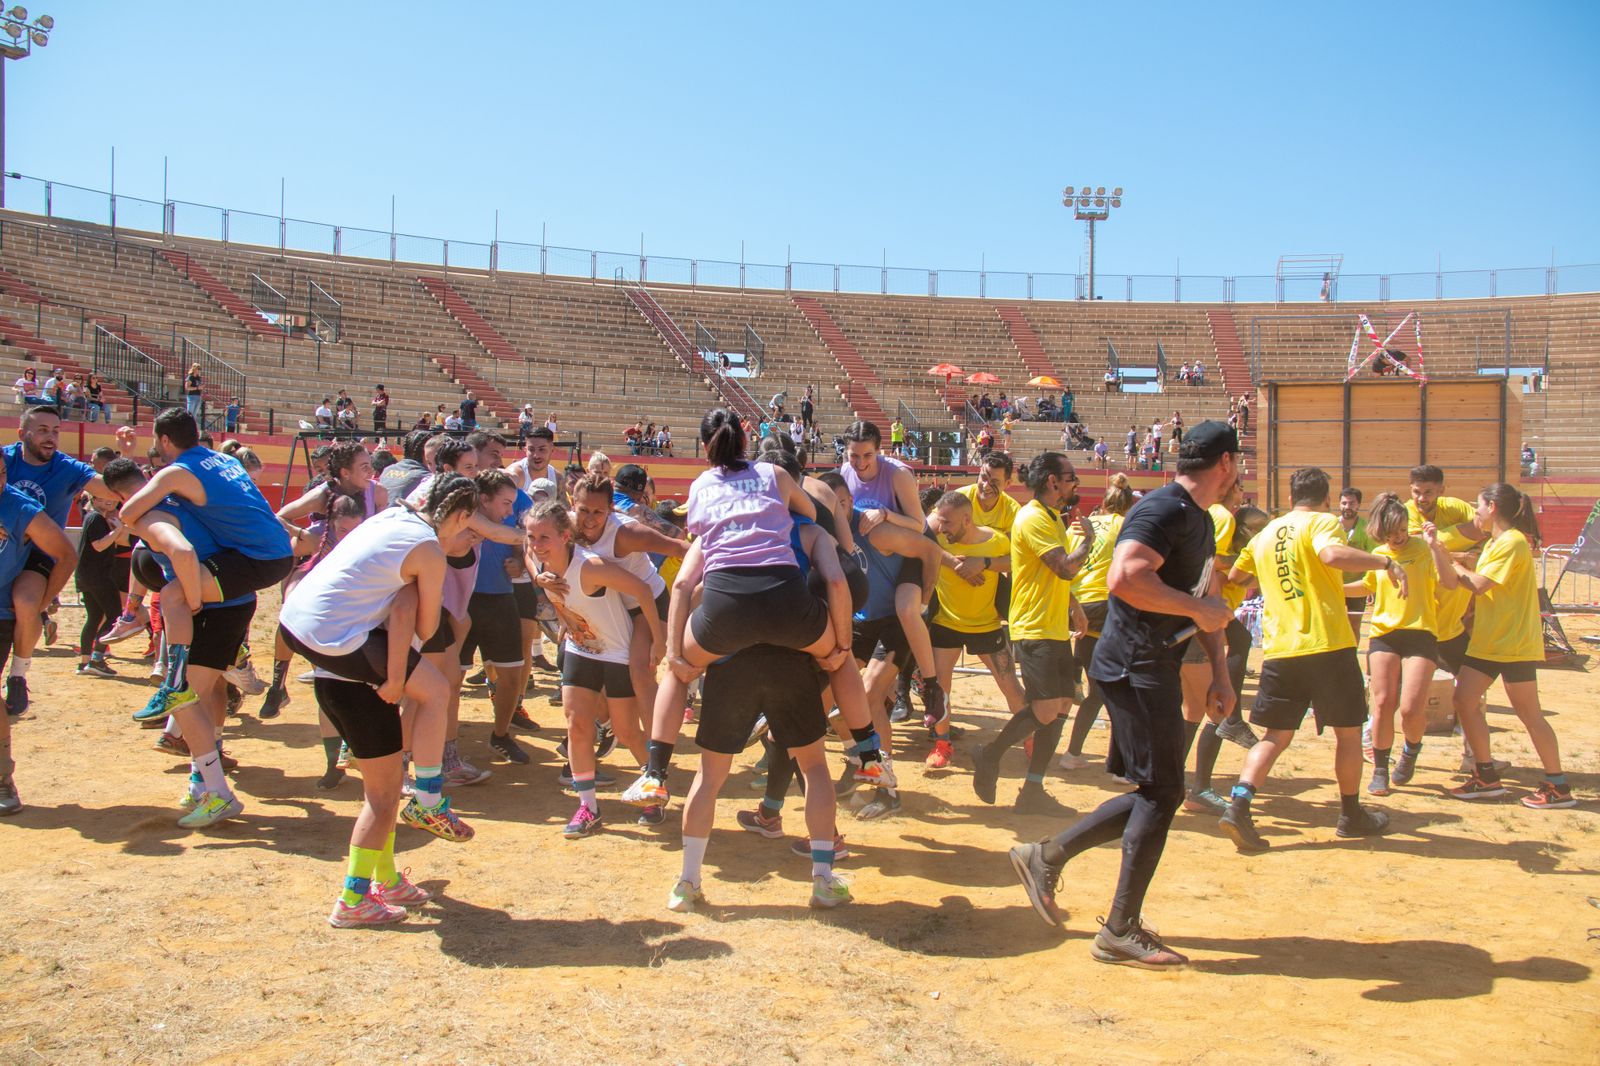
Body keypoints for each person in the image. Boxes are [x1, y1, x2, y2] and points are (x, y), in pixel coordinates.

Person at [1007, 421, 1240, 969]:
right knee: (1163, 792)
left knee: (1159, 791)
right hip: (1134, 664)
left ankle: (1048, 857)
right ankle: (1117, 927)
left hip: (1151, 662)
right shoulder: (1164, 509)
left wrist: (1221, 672)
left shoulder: (1200, 518)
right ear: (1226, 463)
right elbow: (1126, 578)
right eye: (1239, 464)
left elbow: (1206, 599)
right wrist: (1199, 611)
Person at [279, 475, 480, 926]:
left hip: (313, 642)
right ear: (459, 516)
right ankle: (354, 897)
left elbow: (398, 607)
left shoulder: (389, 519)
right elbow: (424, 628)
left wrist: (394, 670)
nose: (471, 538)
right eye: (470, 528)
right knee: (387, 793)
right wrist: (395, 674)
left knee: (384, 788)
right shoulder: (427, 549)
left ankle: (386, 878)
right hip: (343, 660)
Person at [1219, 466, 1407, 852]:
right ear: (1326, 499)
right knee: (1348, 732)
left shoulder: (1266, 533)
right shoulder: (1323, 522)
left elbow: (1235, 577)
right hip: (1327, 645)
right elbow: (1331, 554)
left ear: (1290, 498)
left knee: (1274, 737)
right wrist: (1386, 563)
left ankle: (1239, 805)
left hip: (1281, 649)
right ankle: (1350, 814)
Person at [669, 643, 851, 912]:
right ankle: (823, 880)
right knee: (813, 767)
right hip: (793, 662)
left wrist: (682, 652)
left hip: (731, 662)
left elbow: (693, 617)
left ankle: (687, 882)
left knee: (708, 775)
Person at [525, 500, 664, 838]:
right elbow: (526, 552)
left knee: (627, 731)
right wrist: (538, 577)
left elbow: (644, 590)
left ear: (565, 536)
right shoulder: (541, 561)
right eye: (532, 536)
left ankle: (654, 785)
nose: (536, 545)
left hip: (617, 652)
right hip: (581, 650)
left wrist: (658, 641)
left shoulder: (591, 567)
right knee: (576, 725)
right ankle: (588, 807)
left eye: (544, 538)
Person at [971, 452, 1091, 812]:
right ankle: (990, 755)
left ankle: (1033, 789)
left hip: (1052, 626)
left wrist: (1074, 606)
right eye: (1070, 477)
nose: (1075, 483)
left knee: (1063, 703)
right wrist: (1089, 542)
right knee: (1045, 708)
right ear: (1053, 481)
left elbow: (1052, 574)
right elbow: (1064, 568)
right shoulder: (1034, 517)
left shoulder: (1051, 516)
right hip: (1035, 626)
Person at [1447, 484, 1574, 808]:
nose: (1475, 513)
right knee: (1463, 700)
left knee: (1529, 714)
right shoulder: (1494, 542)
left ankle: (1558, 786)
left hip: (1512, 643)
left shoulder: (1513, 542)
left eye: (1477, 506)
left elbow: (1479, 585)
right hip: (1490, 642)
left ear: (1492, 507)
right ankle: (1486, 776)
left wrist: (1454, 565)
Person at [4, 405, 121, 717]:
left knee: (26, 602)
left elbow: (109, 489)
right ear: (22, 434)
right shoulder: (5, 460)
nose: (51, 437)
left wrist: (124, 461)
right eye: (42, 430)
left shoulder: (66, 467)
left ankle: (18, 675)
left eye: (56, 431)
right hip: (4, 548)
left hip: (39, 554)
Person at [1346, 492, 1457, 796]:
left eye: (1402, 530)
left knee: (1410, 708)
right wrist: (1332, 588)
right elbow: (1367, 585)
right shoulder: (1379, 554)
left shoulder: (1423, 549)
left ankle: (1410, 750)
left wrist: (1435, 546)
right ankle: (1380, 769)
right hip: (1384, 634)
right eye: (1390, 533)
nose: (1397, 538)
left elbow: (1449, 582)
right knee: (1382, 703)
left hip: (1420, 633)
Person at [924, 492, 1025, 770]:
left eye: (947, 522)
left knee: (1010, 686)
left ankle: (1031, 738)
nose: (941, 527)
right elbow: (921, 546)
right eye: (939, 521)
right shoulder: (937, 539)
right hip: (946, 623)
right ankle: (942, 744)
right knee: (941, 689)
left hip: (986, 625)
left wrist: (984, 562)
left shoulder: (995, 540)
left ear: (967, 520)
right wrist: (955, 563)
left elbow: (1018, 561)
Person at [0, 468, 77, 815]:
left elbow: (66, 554)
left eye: (2, 473)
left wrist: (43, 603)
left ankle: (2, 778)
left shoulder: (19, 507)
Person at [1058, 473, 1133, 769]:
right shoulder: (1125, 524)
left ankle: (1073, 754)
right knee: (1117, 689)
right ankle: (1118, 764)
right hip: (1105, 607)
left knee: (1099, 690)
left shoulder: (1081, 524)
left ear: (1102, 503)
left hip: (1075, 606)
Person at [1336, 486, 1376, 637]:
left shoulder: (1366, 529)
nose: (1347, 507)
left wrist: (1370, 586)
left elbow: (1373, 557)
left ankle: (1353, 652)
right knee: (1333, 624)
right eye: (1344, 503)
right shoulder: (1331, 526)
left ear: (1358, 505)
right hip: (1333, 584)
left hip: (1357, 585)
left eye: (1351, 503)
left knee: (1354, 624)